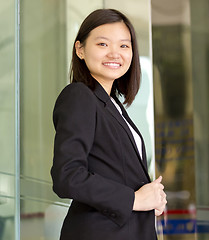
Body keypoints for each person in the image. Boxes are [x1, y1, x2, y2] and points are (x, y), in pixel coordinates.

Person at [51, 9, 167, 239]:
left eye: (124, 46)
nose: (115, 53)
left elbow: (115, 172)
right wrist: (134, 199)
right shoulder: (79, 96)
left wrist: (151, 196)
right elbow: (67, 175)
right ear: (80, 49)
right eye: (103, 44)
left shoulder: (112, 104)